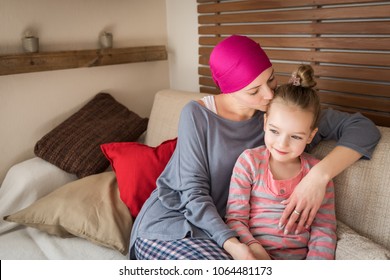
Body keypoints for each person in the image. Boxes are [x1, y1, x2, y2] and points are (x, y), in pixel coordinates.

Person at [129, 35, 380, 260]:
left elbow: (363, 129)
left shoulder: (282, 112)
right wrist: (236, 245)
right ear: (228, 90)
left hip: (228, 233)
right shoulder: (197, 115)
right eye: (254, 91)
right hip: (173, 226)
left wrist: (318, 176)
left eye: (271, 79)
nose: (269, 95)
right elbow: (193, 195)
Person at [225, 65, 336, 260]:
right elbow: (235, 219)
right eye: (275, 131)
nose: (282, 144)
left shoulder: (317, 174)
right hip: (252, 256)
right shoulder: (249, 162)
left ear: (310, 136)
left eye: (295, 136)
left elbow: (324, 230)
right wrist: (253, 247)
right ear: (265, 122)